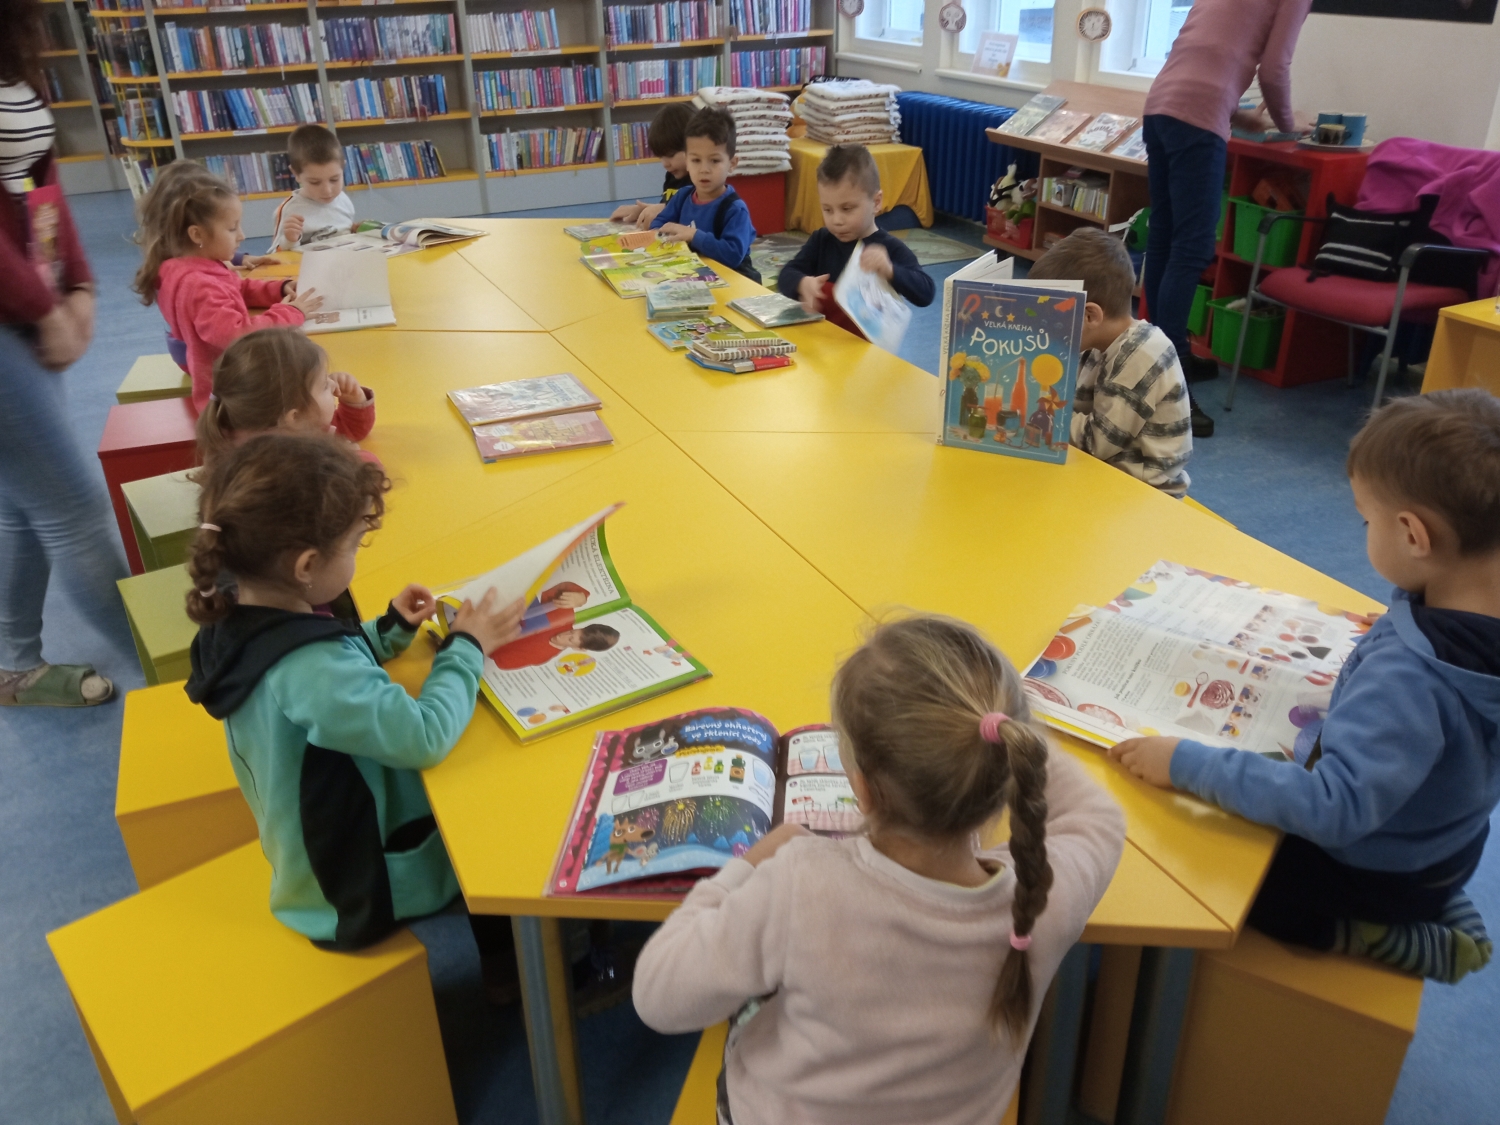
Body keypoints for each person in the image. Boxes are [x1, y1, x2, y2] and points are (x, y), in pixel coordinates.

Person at [633, 615, 1125, 1124]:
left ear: (863, 790)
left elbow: (658, 994)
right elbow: (1101, 819)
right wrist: (997, 729)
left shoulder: (801, 884)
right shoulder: (1044, 898)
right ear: (1009, 766)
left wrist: (746, 868)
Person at [1111, 390, 1500, 984]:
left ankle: (1378, 932)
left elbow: (1333, 807)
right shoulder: (1466, 603)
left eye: (1367, 520)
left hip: (1378, 869)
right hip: (1447, 842)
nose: (1363, 529)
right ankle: (1434, 892)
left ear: (1412, 535)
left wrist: (1184, 762)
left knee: (1225, 880)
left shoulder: (1410, 679)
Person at [182, 434, 529, 998]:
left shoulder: (239, 610)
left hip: (310, 855)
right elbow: (423, 735)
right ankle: (516, 975)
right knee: (489, 822)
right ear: (306, 565)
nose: (357, 555)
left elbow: (330, 664)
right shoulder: (308, 669)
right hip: (349, 888)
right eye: (354, 545)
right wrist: (467, 647)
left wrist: (388, 630)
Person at [0, 0, 131, 707]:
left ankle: (12, 663)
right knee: (72, 510)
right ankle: (195, 676)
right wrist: (42, 303)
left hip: (23, 307)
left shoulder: (17, 37)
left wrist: (76, 281)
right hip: (14, 311)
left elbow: (35, 179)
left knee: (24, 502)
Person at [1140, 0, 1313, 440]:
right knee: (1192, 247)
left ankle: (1159, 353)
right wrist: (1288, 124)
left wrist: (1240, 115)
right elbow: (1274, 69)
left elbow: (1198, 57)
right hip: (1198, 119)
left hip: (1160, 106)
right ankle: (1171, 377)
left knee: (1164, 237)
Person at [134, 170, 321, 413]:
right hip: (231, 399)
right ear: (197, 234)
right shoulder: (198, 285)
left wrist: (278, 288)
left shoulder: (192, 265)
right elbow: (238, 334)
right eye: (232, 228)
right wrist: (290, 313)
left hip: (229, 376)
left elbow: (236, 288)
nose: (242, 236)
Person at [1027, 229, 1192, 496]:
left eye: (1051, 320)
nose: (1045, 332)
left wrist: (1031, 413)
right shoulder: (1097, 342)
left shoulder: (1139, 355)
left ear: (1090, 315)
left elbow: (1096, 442)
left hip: (1145, 494)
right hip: (1107, 474)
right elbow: (1074, 404)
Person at [777, 143, 935, 329]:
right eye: (827, 209)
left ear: (876, 202)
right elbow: (786, 274)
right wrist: (802, 283)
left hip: (868, 345)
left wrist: (890, 270)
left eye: (847, 209)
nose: (837, 220)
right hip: (823, 338)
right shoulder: (821, 240)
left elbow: (926, 292)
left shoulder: (888, 249)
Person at [196, 327, 375, 466]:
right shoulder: (286, 461)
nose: (334, 385)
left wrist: (353, 402)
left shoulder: (284, 425)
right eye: (324, 386)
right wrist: (354, 458)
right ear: (294, 416)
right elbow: (362, 482)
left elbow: (349, 432)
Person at [649, 106, 759, 282]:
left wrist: (694, 235)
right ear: (687, 161)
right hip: (694, 274)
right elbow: (659, 223)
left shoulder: (735, 209)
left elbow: (733, 255)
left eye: (714, 160)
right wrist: (661, 235)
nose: (704, 169)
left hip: (733, 279)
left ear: (732, 163)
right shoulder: (683, 196)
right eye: (696, 160)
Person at [271, 124, 357, 251]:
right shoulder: (290, 210)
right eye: (315, 182)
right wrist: (289, 240)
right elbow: (275, 256)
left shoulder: (343, 200)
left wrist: (355, 231)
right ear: (296, 174)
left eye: (334, 179)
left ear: (343, 168)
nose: (327, 191)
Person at [610, 102, 694, 230]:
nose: (665, 164)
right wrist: (643, 211)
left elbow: (700, 213)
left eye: (671, 155)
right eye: (661, 157)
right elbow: (666, 208)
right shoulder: (672, 176)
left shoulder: (701, 180)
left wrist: (663, 209)